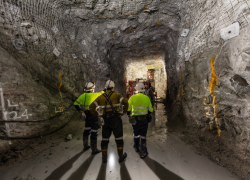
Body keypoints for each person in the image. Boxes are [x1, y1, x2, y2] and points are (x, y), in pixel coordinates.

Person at [89, 80, 129, 163]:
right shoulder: (117, 95)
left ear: (106, 87)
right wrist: (123, 112)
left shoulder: (101, 97)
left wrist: (98, 114)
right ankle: (121, 157)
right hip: (116, 119)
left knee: (105, 139)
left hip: (105, 120)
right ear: (113, 87)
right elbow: (126, 103)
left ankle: (104, 158)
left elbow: (91, 107)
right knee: (119, 139)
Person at [74, 82, 102, 154]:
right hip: (94, 115)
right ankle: (94, 149)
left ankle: (85, 146)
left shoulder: (83, 96)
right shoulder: (96, 94)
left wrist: (80, 111)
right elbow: (104, 92)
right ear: (92, 89)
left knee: (87, 130)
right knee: (94, 132)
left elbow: (75, 103)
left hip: (87, 116)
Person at [127, 82, 153, 158]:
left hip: (135, 120)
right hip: (144, 120)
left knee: (136, 135)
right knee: (143, 136)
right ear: (143, 90)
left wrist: (129, 115)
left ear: (137, 89)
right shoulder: (147, 98)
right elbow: (151, 110)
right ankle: (143, 152)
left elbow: (128, 108)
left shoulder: (132, 97)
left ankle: (136, 147)